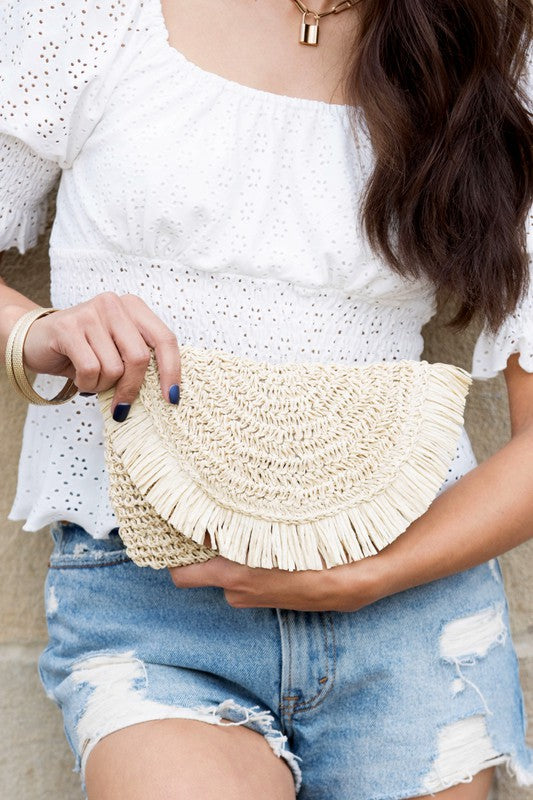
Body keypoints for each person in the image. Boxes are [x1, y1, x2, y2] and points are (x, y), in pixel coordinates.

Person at [1, 1, 533, 798]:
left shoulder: (488, 36)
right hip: (155, 599)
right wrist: (34, 331)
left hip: (413, 603)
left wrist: (371, 574)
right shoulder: (83, 15)